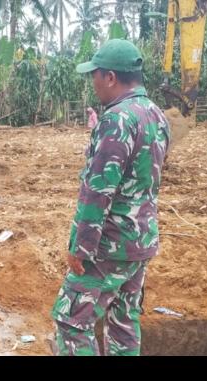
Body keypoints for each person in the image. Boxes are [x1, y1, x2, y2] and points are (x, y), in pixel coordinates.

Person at [51, 39, 171, 356]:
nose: (93, 82)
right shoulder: (156, 115)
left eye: (95, 75)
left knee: (71, 322)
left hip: (109, 246)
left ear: (111, 77)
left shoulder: (117, 120)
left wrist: (81, 247)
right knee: (123, 321)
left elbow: (99, 191)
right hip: (140, 242)